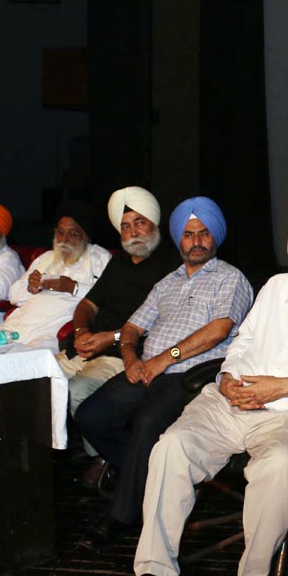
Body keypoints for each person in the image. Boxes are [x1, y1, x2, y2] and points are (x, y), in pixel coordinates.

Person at [122, 203, 288, 576]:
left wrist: (283, 387)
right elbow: (243, 340)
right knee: (171, 447)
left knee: (279, 467)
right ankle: (154, 574)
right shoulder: (274, 288)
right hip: (227, 401)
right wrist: (228, 376)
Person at [75, 196, 253, 547]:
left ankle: (120, 515)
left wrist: (164, 359)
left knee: (145, 425)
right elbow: (131, 328)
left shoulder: (230, 278)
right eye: (188, 235)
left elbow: (219, 329)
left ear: (214, 237)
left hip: (194, 376)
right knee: (90, 415)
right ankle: (150, 482)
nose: (196, 241)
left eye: (203, 233)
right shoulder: (167, 282)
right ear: (179, 239)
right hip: (147, 371)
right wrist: (129, 357)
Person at [58, 187, 179, 484]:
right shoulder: (120, 262)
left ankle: (103, 456)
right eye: (125, 226)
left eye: (140, 222)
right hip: (88, 347)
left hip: (124, 354)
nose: (133, 232)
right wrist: (81, 330)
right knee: (37, 382)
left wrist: (108, 338)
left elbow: (165, 325)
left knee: (77, 390)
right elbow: (87, 304)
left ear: (154, 223)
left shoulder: (172, 264)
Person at [2, 201, 112, 352]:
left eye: (73, 234)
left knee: (20, 364)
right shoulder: (45, 258)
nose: (64, 239)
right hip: (18, 325)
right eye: (60, 232)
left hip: (51, 333)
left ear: (85, 237)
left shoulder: (99, 258)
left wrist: (73, 288)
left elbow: (107, 299)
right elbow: (13, 296)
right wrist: (31, 288)